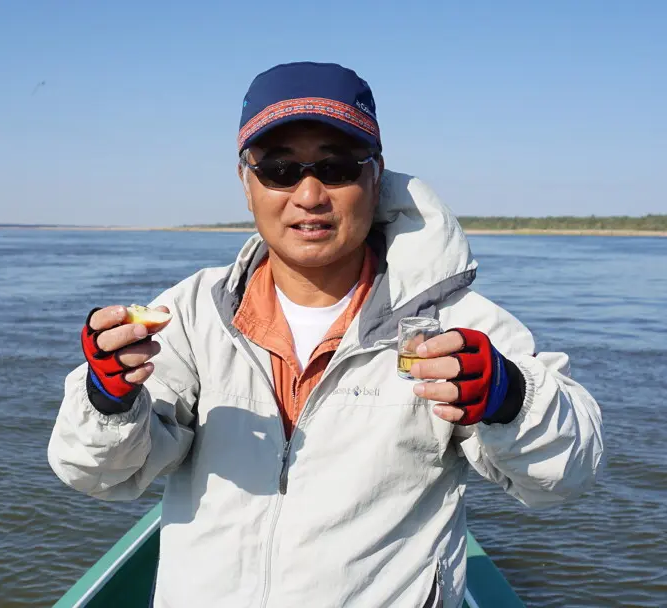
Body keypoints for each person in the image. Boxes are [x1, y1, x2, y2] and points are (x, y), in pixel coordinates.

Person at [48, 61, 604, 608]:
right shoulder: (191, 314)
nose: (309, 194)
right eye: (280, 170)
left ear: (375, 176)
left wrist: (509, 398)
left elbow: (566, 477)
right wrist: (109, 400)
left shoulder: (451, 323)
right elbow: (94, 473)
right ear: (247, 183)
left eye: (336, 167)